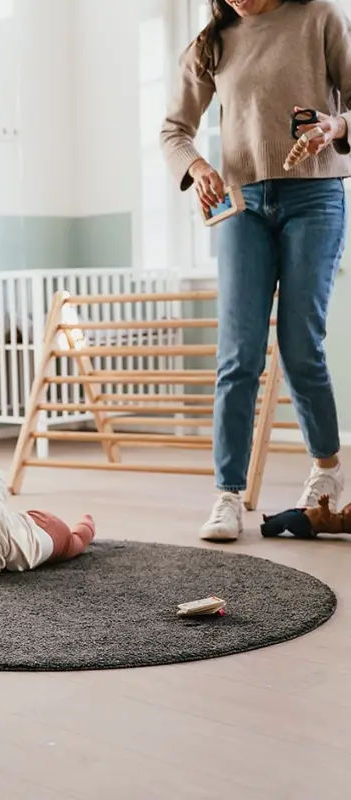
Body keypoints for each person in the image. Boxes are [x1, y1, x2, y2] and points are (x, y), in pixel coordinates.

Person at [160, 0, 351, 542]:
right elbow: (174, 129)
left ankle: (327, 469)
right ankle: (227, 495)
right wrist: (197, 167)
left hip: (315, 197)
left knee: (299, 344)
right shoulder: (212, 42)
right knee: (238, 354)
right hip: (241, 205)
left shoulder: (322, 19)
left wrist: (336, 124)